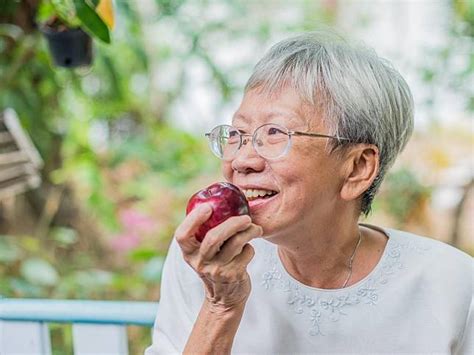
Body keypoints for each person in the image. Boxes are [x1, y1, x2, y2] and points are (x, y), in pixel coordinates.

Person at [145, 32, 473, 354]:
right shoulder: (207, 259)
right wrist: (221, 307)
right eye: (237, 133)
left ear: (358, 167)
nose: (241, 160)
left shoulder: (452, 285)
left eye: (274, 132)